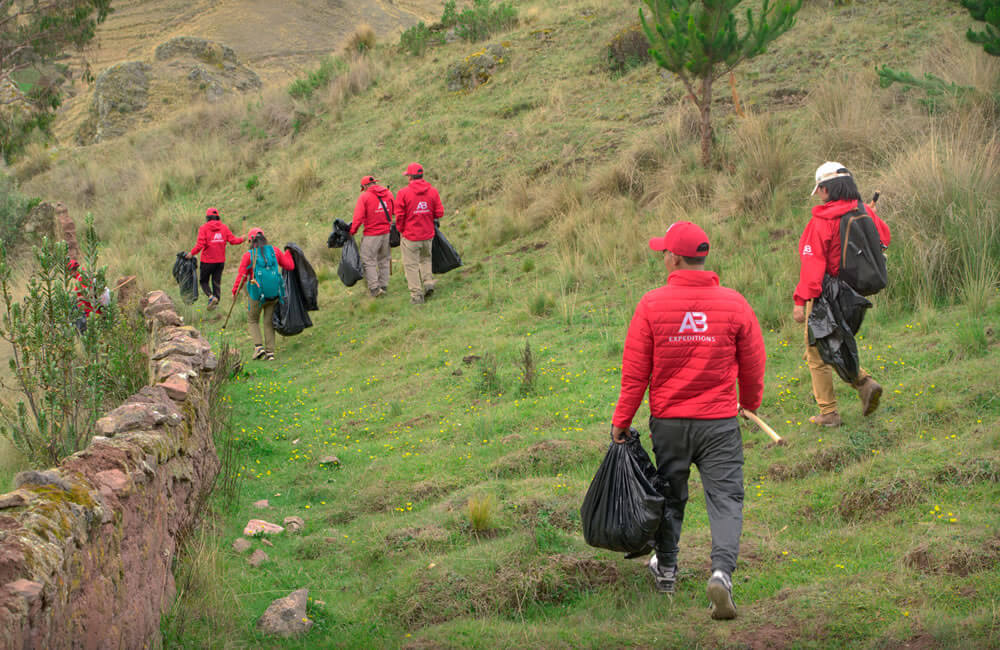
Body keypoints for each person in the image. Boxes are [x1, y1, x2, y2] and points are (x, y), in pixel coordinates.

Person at [610, 221, 766, 620]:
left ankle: (666, 570)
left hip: (670, 424)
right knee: (726, 498)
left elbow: (635, 373)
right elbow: (753, 361)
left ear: (674, 258)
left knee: (669, 495)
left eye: (664, 252)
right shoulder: (735, 303)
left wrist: (621, 421)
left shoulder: (650, 304)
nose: (663, 257)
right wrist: (749, 402)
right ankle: (721, 574)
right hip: (719, 424)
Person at [793, 162, 891, 427]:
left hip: (828, 295)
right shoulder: (863, 212)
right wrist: (868, 215)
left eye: (820, 188)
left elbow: (812, 268)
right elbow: (884, 238)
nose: (819, 194)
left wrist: (800, 301)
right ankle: (864, 384)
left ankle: (830, 412)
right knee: (831, 344)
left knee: (816, 351)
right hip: (855, 295)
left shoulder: (821, 222)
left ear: (828, 189)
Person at [232, 228, 295, 361]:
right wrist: (288, 252)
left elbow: (242, 276)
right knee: (268, 322)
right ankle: (270, 353)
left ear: (250, 241)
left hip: (256, 294)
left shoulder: (248, 255)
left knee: (253, 319)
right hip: (274, 293)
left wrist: (235, 291)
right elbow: (289, 266)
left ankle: (258, 347)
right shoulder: (275, 251)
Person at [394, 162, 443, 305]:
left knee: (411, 265)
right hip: (428, 234)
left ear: (410, 177)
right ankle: (428, 283)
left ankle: (416, 295)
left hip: (410, 236)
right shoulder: (433, 191)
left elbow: (399, 216)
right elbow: (439, 212)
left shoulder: (403, 193)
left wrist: (401, 230)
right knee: (426, 259)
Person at [186, 208, 243, 310]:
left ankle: (211, 297)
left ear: (207, 218)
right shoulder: (224, 228)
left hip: (207, 261)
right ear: (217, 217)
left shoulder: (203, 228)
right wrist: (242, 239)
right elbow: (233, 241)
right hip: (220, 261)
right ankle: (215, 305)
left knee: (203, 281)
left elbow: (200, 245)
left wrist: (191, 253)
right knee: (216, 282)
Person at [350, 175, 395, 298]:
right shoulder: (389, 194)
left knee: (368, 260)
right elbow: (394, 211)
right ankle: (383, 286)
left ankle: (375, 288)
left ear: (364, 186)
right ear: (375, 183)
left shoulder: (364, 197)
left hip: (371, 235)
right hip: (387, 233)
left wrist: (352, 231)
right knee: (384, 260)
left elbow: (358, 217)